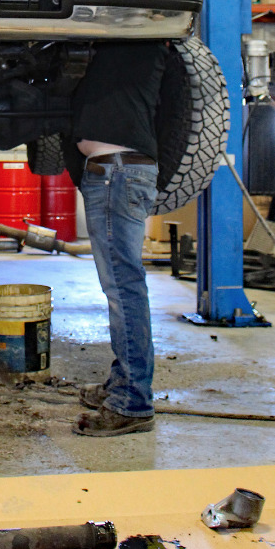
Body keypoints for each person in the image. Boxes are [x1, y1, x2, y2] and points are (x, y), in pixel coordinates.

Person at [63, 40, 168, 436]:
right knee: (123, 286)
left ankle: (133, 403)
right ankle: (122, 384)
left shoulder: (147, 38)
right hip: (113, 173)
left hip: (117, 174)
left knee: (124, 289)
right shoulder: (128, 47)